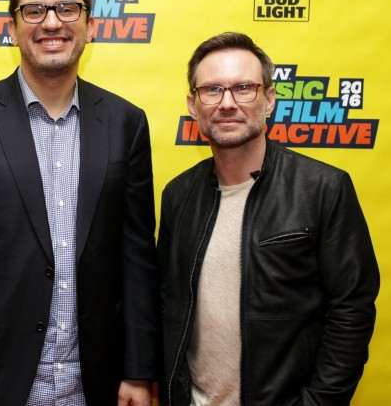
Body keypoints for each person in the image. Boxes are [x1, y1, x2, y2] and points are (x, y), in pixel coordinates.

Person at [0, 0, 161, 405]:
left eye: (67, 9)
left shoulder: (126, 122)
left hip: (97, 383)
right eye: (34, 11)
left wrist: (139, 373)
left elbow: (137, 256)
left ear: (90, 26)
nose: (51, 23)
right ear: (12, 29)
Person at [157, 32, 379, 405]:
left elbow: (351, 312)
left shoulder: (324, 189)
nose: (227, 103)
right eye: (212, 90)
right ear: (193, 105)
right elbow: (167, 303)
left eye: (244, 88)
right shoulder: (178, 196)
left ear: (270, 99)